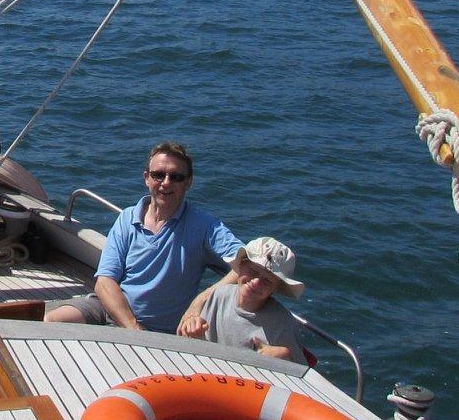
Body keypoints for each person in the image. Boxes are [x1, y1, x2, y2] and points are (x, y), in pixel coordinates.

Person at [45, 141, 247, 333]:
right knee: (51, 321)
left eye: (176, 177)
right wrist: (133, 328)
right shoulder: (127, 218)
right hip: (113, 309)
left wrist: (203, 298)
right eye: (159, 175)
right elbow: (105, 281)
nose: (166, 183)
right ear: (147, 178)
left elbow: (250, 262)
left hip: (161, 329)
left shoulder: (204, 226)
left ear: (189, 182)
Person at [176, 235, 308, 361]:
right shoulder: (218, 296)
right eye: (253, 271)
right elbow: (194, 343)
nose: (256, 282)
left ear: (275, 289)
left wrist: (286, 356)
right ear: (241, 266)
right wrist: (192, 330)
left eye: (267, 280)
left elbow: (302, 369)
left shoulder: (282, 322)